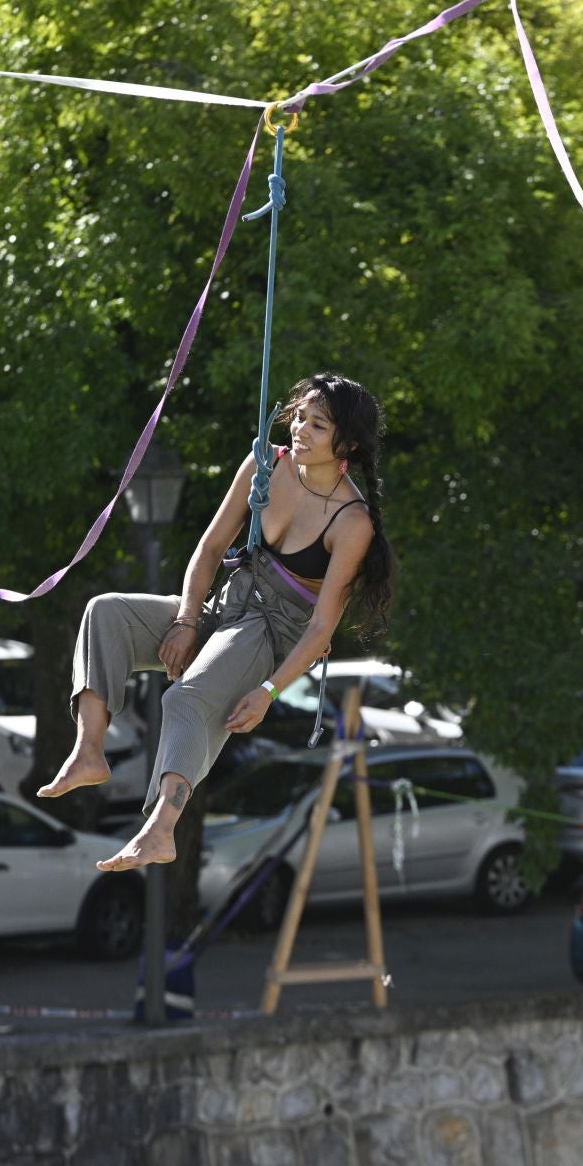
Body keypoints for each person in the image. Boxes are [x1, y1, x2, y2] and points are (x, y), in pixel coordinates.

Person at [38, 373, 395, 872]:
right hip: (228, 604)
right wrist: (186, 620)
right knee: (107, 611)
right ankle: (89, 750)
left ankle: (161, 829)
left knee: (187, 697)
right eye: (299, 417)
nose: (300, 429)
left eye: (318, 425)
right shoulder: (266, 464)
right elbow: (208, 549)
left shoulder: (352, 523)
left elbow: (320, 631)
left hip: (269, 633)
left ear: (348, 443)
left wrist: (269, 691)